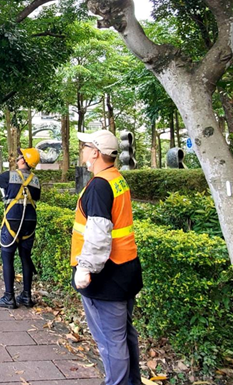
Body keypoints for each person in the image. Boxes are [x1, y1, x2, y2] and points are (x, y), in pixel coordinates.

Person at [72, 130, 143, 385]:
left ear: (95, 152)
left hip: (106, 276)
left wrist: (85, 268)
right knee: (124, 335)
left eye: (85, 146)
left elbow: (99, 233)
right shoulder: (116, 178)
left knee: (110, 339)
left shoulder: (99, 185)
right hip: (125, 269)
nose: (82, 149)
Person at [0, 148, 41, 309]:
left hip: (12, 221)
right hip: (29, 222)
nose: (17, 159)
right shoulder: (36, 180)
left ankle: (9, 297)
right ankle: (26, 295)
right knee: (25, 257)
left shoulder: (10, 176)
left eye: (19, 157)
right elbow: (36, 197)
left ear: (23, 160)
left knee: (8, 258)